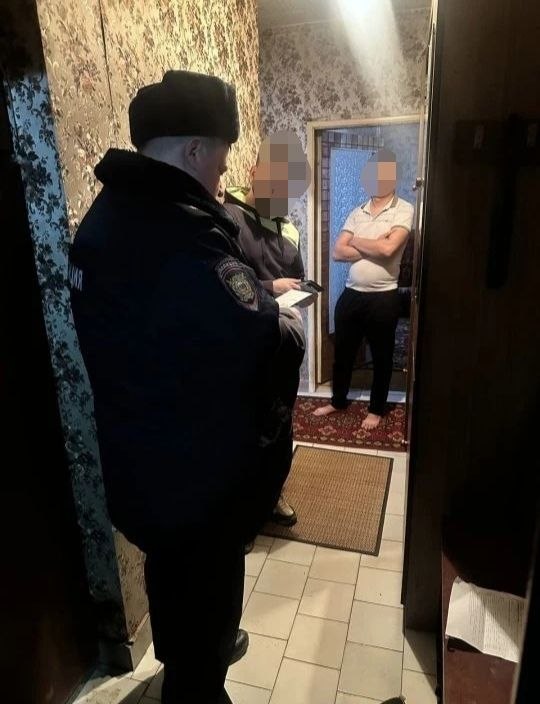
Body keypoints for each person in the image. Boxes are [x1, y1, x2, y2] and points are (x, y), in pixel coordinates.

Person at [69, 70, 305, 704]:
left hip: (138, 462)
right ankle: (198, 681)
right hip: (196, 477)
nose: (223, 179)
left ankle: (185, 659)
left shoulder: (105, 217)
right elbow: (258, 338)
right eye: (222, 162)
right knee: (207, 590)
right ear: (196, 149)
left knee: (169, 571)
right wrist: (286, 322)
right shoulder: (182, 232)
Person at [224, 130, 310, 528]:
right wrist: (271, 288)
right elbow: (222, 284)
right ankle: (244, 514)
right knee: (246, 429)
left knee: (280, 423)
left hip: (281, 347)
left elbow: (297, 277)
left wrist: (300, 293)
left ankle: (273, 495)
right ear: (253, 171)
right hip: (244, 345)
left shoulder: (288, 228)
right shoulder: (228, 218)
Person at [314, 148, 414, 430]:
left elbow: (389, 249)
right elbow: (338, 252)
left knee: (382, 356)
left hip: (384, 297)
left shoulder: (404, 209)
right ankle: (338, 400)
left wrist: (357, 242)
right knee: (343, 353)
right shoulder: (357, 212)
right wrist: (374, 243)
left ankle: (376, 409)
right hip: (351, 295)